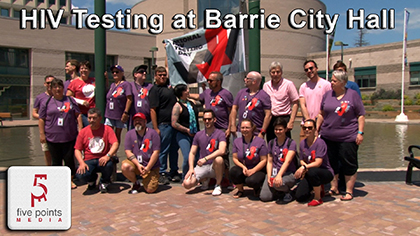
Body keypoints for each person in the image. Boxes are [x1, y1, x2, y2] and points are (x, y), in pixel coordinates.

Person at [316, 70, 365, 201]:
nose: (331, 83)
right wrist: (317, 128)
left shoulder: (353, 95)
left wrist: (360, 133)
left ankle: (349, 191)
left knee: (349, 163)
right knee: (332, 163)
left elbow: (361, 115)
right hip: (328, 136)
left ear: (343, 82)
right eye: (331, 80)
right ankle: (334, 187)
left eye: (334, 81)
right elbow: (321, 114)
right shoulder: (327, 95)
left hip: (348, 137)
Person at [189, 71, 234, 187]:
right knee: (209, 152)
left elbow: (231, 112)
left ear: (218, 82)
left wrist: (229, 128)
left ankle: (226, 179)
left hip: (222, 128)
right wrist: (185, 94)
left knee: (223, 155)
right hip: (209, 128)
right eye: (208, 80)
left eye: (211, 80)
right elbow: (198, 97)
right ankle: (212, 176)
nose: (208, 82)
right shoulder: (207, 93)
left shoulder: (226, 94)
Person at [38, 78, 81, 189]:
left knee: (69, 159)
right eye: (55, 87)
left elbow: (78, 115)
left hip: (69, 136)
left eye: (59, 87)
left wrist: (80, 129)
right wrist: (42, 134)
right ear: (51, 89)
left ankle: (70, 180)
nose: (57, 89)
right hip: (52, 136)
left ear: (63, 88)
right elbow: (41, 119)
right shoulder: (46, 102)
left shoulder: (70, 100)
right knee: (56, 160)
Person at [182, 109, 227, 196]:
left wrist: (206, 158)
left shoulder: (220, 133)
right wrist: (191, 168)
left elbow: (222, 150)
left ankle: (218, 185)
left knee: (219, 159)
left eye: (209, 119)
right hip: (202, 166)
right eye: (205, 119)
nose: (207, 121)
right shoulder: (199, 135)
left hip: (214, 166)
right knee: (187, 184)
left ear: (214, 120)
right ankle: (204, 179)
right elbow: (192, 153)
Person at [74, 108, 119, 193]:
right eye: (89, 118)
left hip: (103, 158)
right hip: (88, 160)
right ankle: (92, 180)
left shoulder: (107, 129)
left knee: (108, 165)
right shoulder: (83, 132)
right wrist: (81, 163)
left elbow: (115, 143)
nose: (91, 120)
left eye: (94, 118)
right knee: (80, 175)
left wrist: (108, 156)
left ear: (100, 118)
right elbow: (77, 149)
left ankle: (104, 182)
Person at [149, 66, 179, 184]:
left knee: (174, 149)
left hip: (174, 125)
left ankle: (174, 171)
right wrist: (156, 128)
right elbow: (152, 110)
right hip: (163, 125)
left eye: (164, 75)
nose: (162, 77)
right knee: (163, 150)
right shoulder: (154, 90)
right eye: (160, 75)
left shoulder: (169, 87)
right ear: (155, 76)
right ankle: (161, 172)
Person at [294, 119, 334, 206]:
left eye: (310, 128)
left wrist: (304, 167)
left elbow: (318, 162)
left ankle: (317, 198)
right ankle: (317, 188)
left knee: (312, 171)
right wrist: (303, 167)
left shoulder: (320, 143)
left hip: (324, 172)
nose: (307, 130)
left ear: (315, 129)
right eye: (305, 128)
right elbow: (301, 160)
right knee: (299, 197)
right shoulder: (302, 143)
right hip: (309, 172)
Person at [260, 117, 298, 203]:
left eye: (280, 129)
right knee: (264, 197)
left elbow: (287, 161)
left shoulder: (291, 143)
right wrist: (269, 176)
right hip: (274, 172)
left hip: (288, 173)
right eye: (276, 129)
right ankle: (279, 192)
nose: (278, 132)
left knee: (278, 184)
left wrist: (279, 175)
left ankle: (288, 192)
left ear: (285, 130)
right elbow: (269, 161)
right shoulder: (271, 143)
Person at [122, 112, 161, 194]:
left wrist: (147, 168)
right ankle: (136, 183)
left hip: (151, 166)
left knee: (150, 190)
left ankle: (150, 179)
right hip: (137, 164)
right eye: (135, 120)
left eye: (140, 120)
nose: (137, 122)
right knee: (125, 166)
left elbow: (156, 152)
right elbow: (128, 151)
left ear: (145, 121)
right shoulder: (129, 134)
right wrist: (138, 165)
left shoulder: (153, 134)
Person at [229, 119, 268, 198]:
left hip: (258, 169)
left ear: (252, 128)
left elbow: (264, 160)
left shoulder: (260, 141)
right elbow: (235, 158)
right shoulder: (237, 141)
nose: (244, 130)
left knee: (251, 181)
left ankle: (257, 188)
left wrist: (253, 170)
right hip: (244, 168)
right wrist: (243, 167)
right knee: (233, 171)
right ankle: (240, 190)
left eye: (247, 128)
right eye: (242, 128)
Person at [263, 61, 299, 141]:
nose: (275, 74)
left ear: (281, 72)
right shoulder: (266, 85)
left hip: (284, 118)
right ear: (270, 73)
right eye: (273, 72)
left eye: (278, 72)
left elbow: (296, 102)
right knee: (270, 143)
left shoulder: (288, 84)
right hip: (271, 118)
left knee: (285, 144)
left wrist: (291, 121)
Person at [230, 71, 271, 139]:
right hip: (240, 131)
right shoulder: (241, 92)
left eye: (247, 78)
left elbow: (268, 115)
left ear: (254, 81)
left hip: (256, 133)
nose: (245, 80)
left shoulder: (264, 96)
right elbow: (234, 108)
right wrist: (233, 125)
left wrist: (262, 132)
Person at [171, 84, 200, 179]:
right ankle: (185, 176)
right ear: (181, 93)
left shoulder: (191, 103)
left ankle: (196, 176)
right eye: (185, 90)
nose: (188, 91)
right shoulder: (177, 106)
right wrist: (187, 130)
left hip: (196, 134)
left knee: (197, 157)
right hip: (184, 135)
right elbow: (174, 123)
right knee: (187, 157)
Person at [298, 60, 331, 141]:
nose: (309, 71)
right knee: (304, 151)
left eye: (311, 68)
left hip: (322, 125)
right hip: (306, 125)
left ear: (316, 68)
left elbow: (328, 105)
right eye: (306, 70)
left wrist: (317, 120)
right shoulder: (303, 87)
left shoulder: (326, 85)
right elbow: (302, 105)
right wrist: (309, 121)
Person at [105, 64, 133, 145]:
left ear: (122, 73)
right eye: (113, 72)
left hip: (119, 114)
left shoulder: (125, 84)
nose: (114, 74)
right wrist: (106, 79)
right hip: (109, 113)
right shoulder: (112, 85)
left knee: (117, 135)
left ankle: (114, 153)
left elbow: (129, 99)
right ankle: (109, 150)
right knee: (108, 133)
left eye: (117, 72)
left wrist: (126, 112)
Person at [66, 61, 96, 127]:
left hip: (93, 112)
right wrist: (81, 102)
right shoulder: (74, 82)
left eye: (86, 68)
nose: (84, 70)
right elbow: (68, 97)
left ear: (89, 70)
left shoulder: (94, 81)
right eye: (82, 68)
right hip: (81, 113)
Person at [32, 75, 54, 166]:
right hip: (45, 127)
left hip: (57, 128)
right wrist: (43, 117)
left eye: (52, 83)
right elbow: (34, 113)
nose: (50, 85)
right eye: (48, 83)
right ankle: (49, 169)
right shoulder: (40, 97)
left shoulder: (59, 96)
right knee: (47, 151)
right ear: (45, 84)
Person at [128, 65, 153, 130]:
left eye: (145, 72)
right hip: (134, 120)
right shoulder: (129, 86)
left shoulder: (150, 87)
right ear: (135, 74)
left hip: (148, 120)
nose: (144, 73)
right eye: (141, 72)